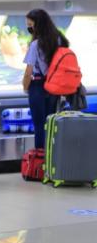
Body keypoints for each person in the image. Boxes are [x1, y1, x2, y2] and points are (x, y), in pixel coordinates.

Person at [23, 9, 68, 150]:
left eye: (31, 24)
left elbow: (28, 72)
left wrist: (25, 87)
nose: (29, 28)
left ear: (38, 25)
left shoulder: (35, 44)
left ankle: (39, 161)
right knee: (50, 124)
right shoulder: (59, 40)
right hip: (54, 86)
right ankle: (51, 161)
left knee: (39, 125)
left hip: (37, 86)